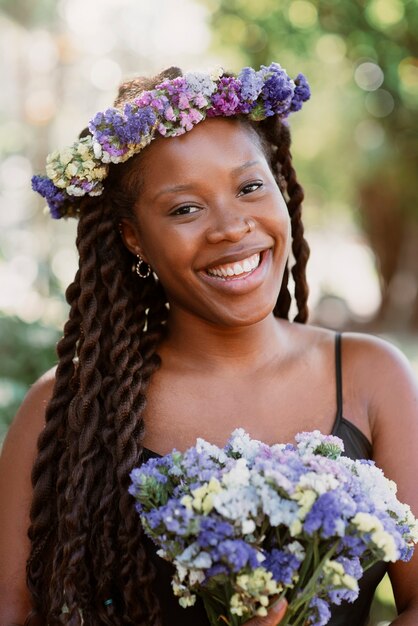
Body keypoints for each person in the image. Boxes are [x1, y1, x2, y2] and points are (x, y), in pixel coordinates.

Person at [0, 62, 417, 626]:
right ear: (133, 239)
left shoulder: (372, 377)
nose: (230, 227)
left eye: (249, 187)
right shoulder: (65, 408)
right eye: (185, 209)